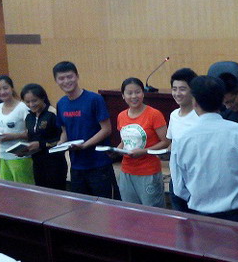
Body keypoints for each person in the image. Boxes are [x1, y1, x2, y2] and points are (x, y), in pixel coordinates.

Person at [170, 75, 238, 223]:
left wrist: (200, 199)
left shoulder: (181, 139)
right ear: (221, 101)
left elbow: (179, 188)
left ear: (194, 102)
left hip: (199, 216)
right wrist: (236, 192)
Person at [53, 61, 117, 199]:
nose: (66, 81)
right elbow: (65, 131)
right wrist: (61, 143)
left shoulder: (95, 99)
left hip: (99, 164)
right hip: (76, 166)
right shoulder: (61, 103)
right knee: (81, 207)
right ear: (56, 81)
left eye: (69, 76)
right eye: (61, 78)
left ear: (77, 76)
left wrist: (84, 145)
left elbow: (106, 129)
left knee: (105, 206)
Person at [115, 77, 169, 207]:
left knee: (152, 212)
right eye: (129, 93)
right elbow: (125, 141)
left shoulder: (154, 114)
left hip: (148, 172)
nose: (134, 96)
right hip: (126, 171)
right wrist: (117, 150)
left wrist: (144, 151)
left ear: (143, 93)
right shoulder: (121, 116)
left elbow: (166, 141)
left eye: (137, 92)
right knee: (130, 210)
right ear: (123, 96)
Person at [21, 83, 65, 190]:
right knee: (41, 193)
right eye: (27, 102)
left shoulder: (53, 114)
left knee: (56, 195)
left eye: (34, 101)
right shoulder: (29, 116)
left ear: (43, 98)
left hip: (55, 164)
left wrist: (41, 144)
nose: (31, 104)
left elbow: (62, 140)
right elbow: (31, 137)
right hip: (37, 162)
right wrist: (24, 150)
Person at [166, 67, 200, 212]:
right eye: (174, 89)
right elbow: (172, 143)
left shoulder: (200, 116)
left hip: (195, 179)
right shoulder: (174, 115)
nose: (177, 93)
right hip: (176, 178)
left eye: (182, 89)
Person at [0, 75, 32, 184]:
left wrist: (13, 136)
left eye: (5, 88)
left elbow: (33, 133)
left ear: (12, 88)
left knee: (24, 189)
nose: (2, 92)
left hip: (20, 157)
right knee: (7, 189)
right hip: (3, 155)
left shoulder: (23, 108)